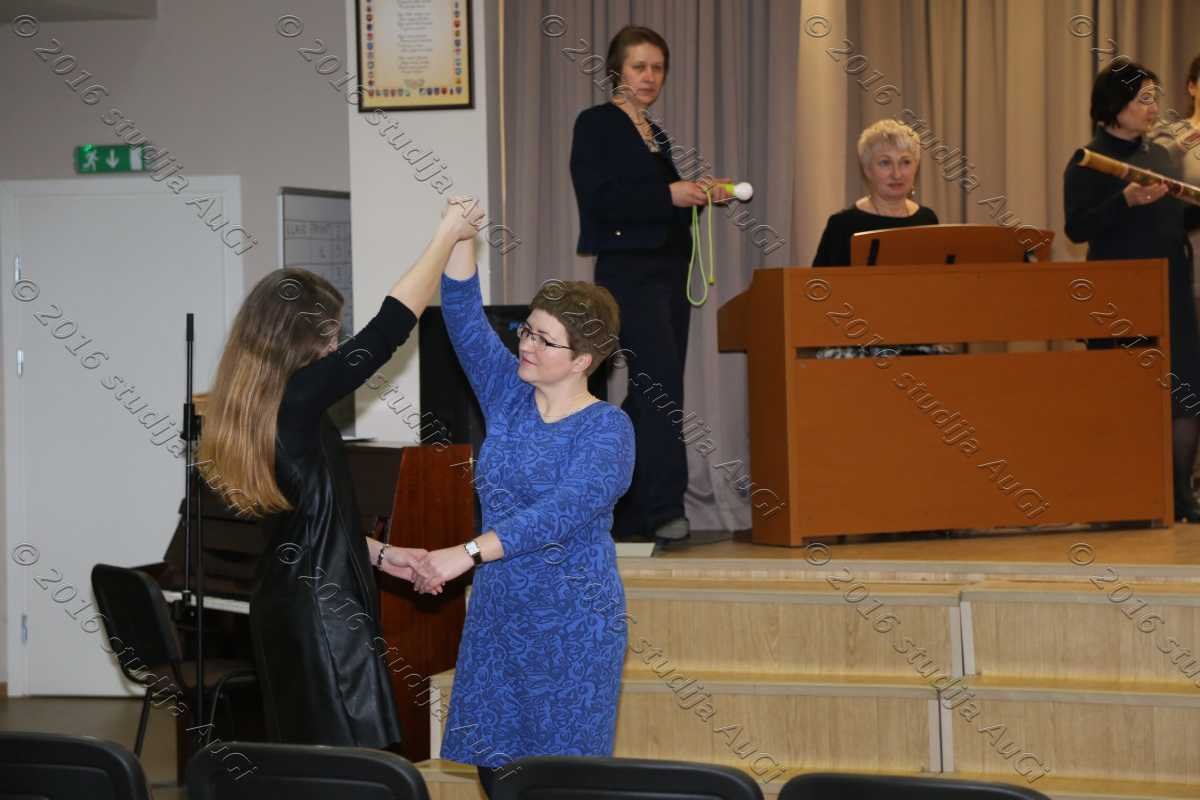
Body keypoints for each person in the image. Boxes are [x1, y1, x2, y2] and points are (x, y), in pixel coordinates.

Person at [196, 200, 484, 747]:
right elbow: (390, 329)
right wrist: (448, 233)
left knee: (313, 762)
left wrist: (384, 555)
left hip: (286, 607)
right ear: (295, 340)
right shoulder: (297, 398)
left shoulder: (253, 405)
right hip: (323, 616)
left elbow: (304, 520)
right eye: (329, 337)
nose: (335, 348)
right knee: (350, 764)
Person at [411, 231, 635, 797]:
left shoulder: (608, 429)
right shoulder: (509, 395)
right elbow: (463, 318)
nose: (527, 346)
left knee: (560, 783)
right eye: (527, 330)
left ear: (582, 360)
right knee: (496, 774)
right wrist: (461, 233)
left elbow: (558, 514)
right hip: (499, 615)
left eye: (545, 340)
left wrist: (467, 552)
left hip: (573, 624)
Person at [569, 24, 733, 545]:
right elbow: (600, 199)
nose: (649, 77)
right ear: (616, 70)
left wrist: (698, 194)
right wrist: (670, 195)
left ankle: (621, 505)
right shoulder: (597, 123)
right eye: (639, 66)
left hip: (668, 272)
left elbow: (659, 204)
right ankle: (662, 507)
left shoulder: (654, 133)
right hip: (629, 271)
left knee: (653, 390)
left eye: (657, 68)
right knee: (659, 386)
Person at [1064, 62, 1200, 522]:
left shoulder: (1161, 155)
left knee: (1186, 392)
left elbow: (1176, 219)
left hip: (1172, 283)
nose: (1153, 108)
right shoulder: (1087, 160)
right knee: (1123, 396)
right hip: (1118, 290)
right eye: (1143, 98)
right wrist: (1123, 200)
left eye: (1154, 97)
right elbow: (1077, 228)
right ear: (1114, 104)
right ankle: (1124, 498)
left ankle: (1181, 496)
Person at [812, 119, 945, 359]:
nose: (897, 173)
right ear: (867, 170)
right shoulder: (843, 225)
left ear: (916, 167)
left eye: (905, 162)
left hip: (918, 342)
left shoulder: (927, 219)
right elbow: (820, 294)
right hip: (856, 344)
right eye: (885, 163)